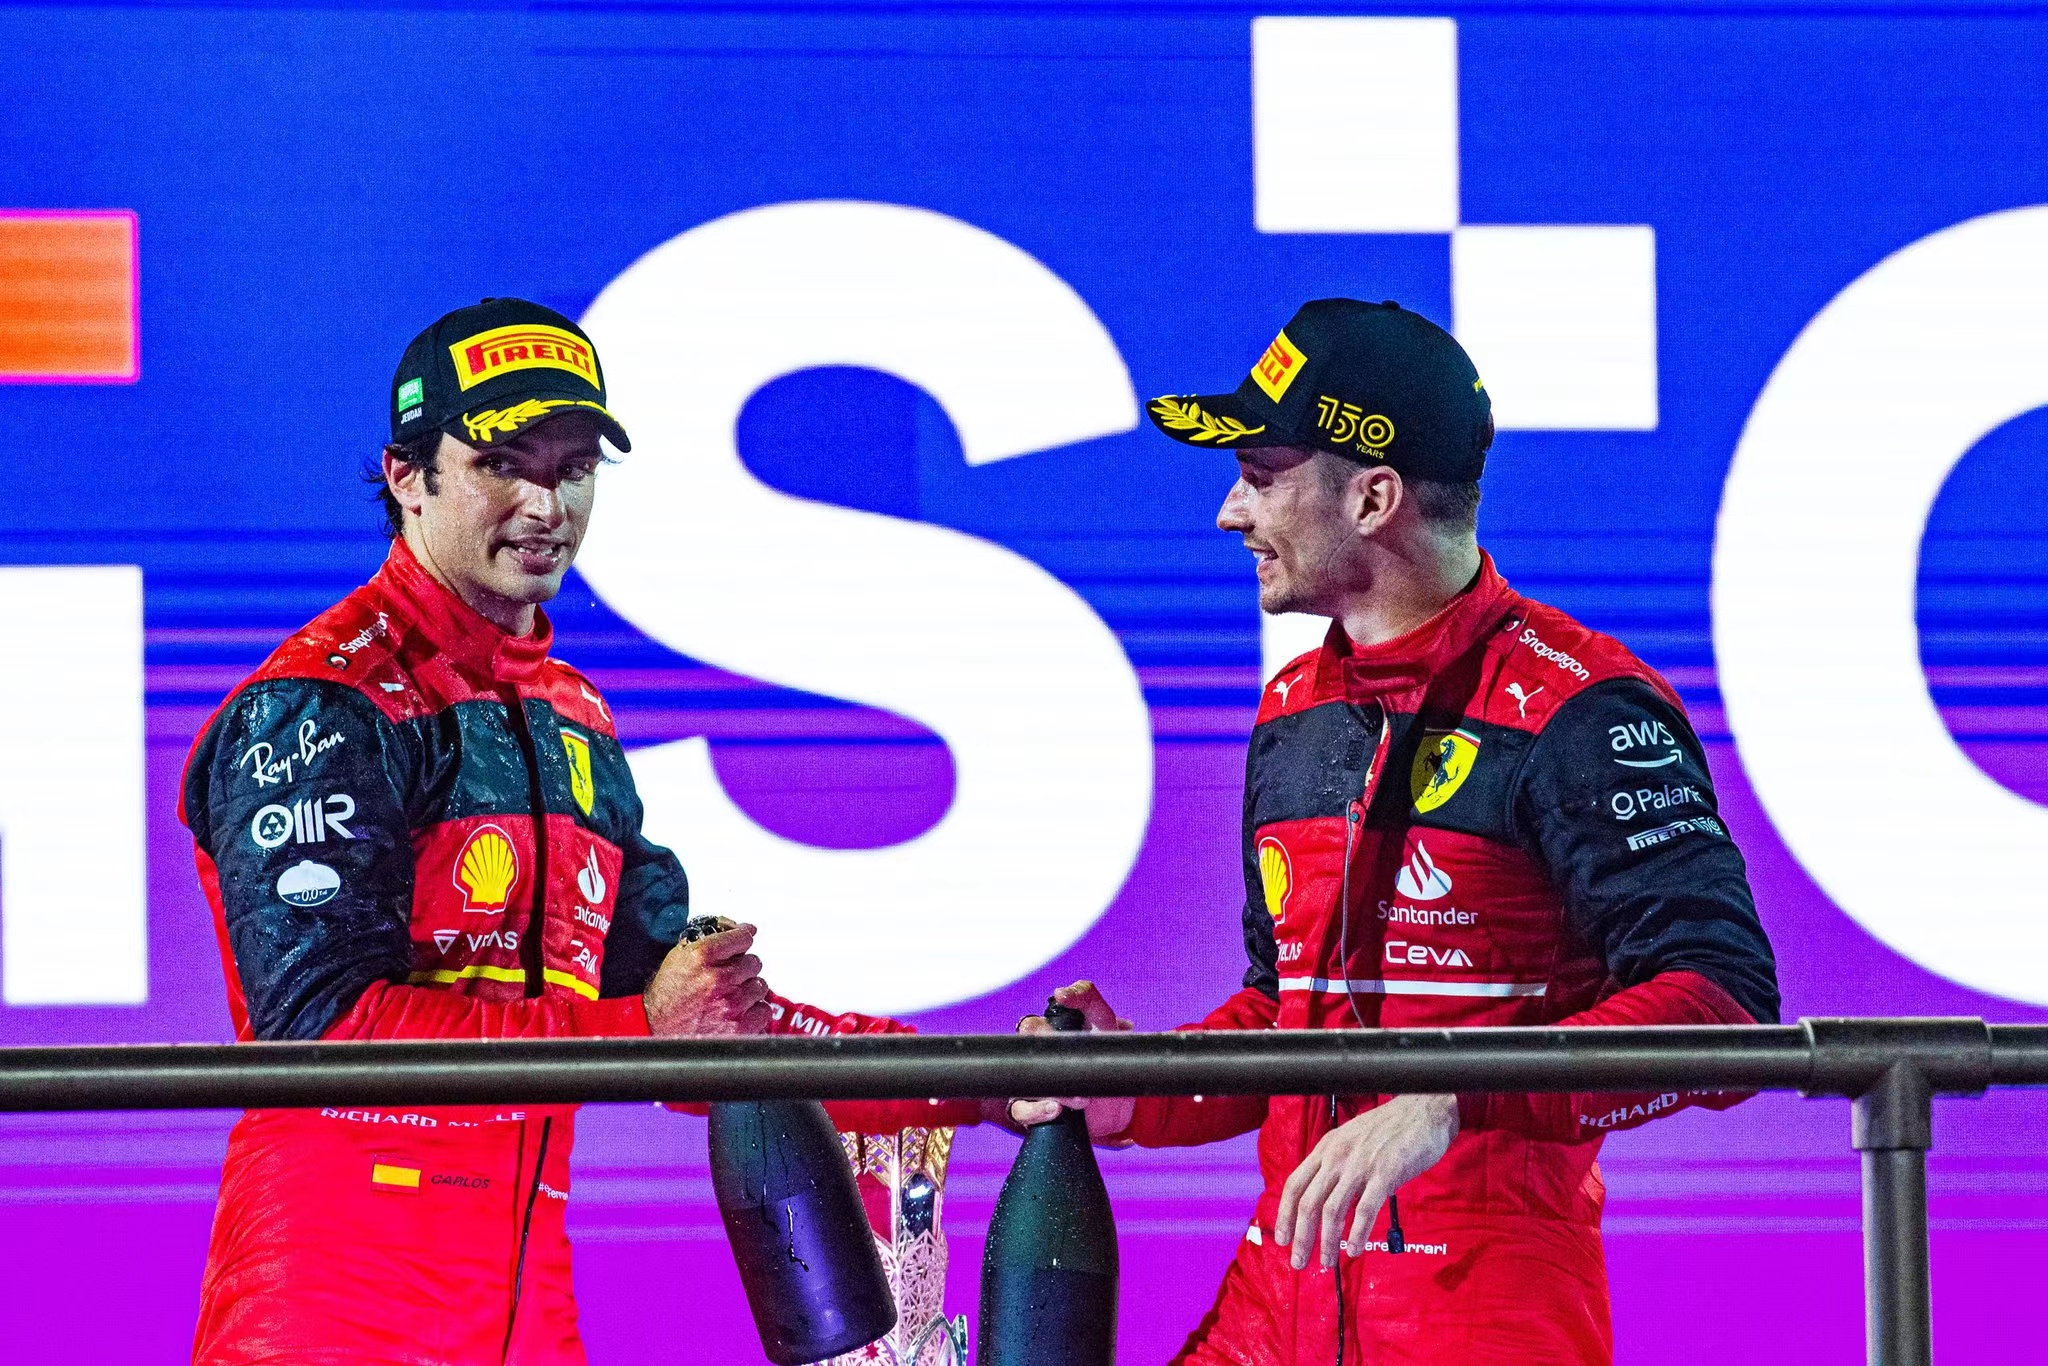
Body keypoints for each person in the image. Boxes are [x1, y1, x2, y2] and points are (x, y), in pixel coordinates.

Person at [179, 298, 979, 1365]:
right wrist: (644, 1029)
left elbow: (699, 1022)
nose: (545, 504)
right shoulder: (320, 704)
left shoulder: (572, 714)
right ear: (407, 476)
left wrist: (975, 1077)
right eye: (501, 464)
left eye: (573, 469)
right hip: (334, 1307)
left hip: (526, 1306)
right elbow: (323, 1036)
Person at [1010, 299, 1779, 1364]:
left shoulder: (1580, 709)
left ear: (1372, 496)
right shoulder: (1292, 707)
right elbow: (1285, 1017)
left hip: (1482, 1318)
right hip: (1274, 1304)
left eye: (1261, 474)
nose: (1230, 512)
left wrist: (1452, 1094)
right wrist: (1135, 1090)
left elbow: (1726, 1007)